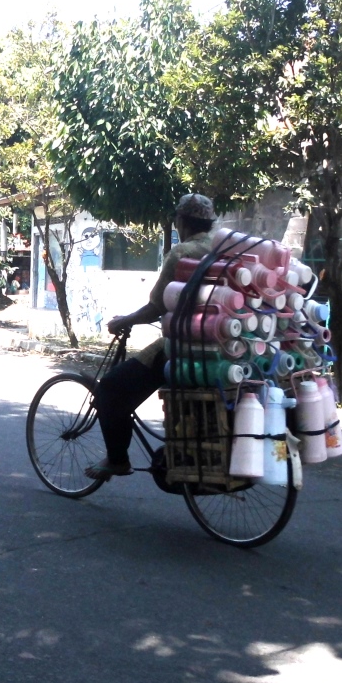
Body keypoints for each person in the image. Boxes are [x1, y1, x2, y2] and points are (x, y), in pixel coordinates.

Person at [86, 193, 219, 482]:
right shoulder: (224, 249)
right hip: (223, 343)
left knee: (110, 388)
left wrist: (124, 320)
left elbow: (156, 306)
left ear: (181, 221)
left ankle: (117, 459)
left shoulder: (182, 253)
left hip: (182, 344)